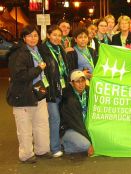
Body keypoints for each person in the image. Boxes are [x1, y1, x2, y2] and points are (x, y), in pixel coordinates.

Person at [6, 25, 51, 163]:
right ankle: (26, 155)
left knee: (42, 123)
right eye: (30, 36)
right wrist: (38, 69)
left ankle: (42, 150)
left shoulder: (38, 50)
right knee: (25, 127)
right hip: (23, 94)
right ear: (24, 38)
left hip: (38, 91)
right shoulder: (18, 53)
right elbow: (19, 76)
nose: (33, 38)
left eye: (35, 36)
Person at [39, 25, 70, 158]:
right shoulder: (43, 50)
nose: (57, 38)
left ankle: (54, 142)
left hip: (60, 88)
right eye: (54, 35)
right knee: (55, 118)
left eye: (59, 35)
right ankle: (54, 147)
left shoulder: (60, 49)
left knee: (58, 118)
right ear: (48, 35)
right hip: (50, 90)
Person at [60, 70, 92, 154]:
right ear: (72, 83)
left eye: (83, 81)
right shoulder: (70, 99)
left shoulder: (89, 92)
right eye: (77, 81)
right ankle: (64, 147)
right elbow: (77, 123)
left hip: (82, 126)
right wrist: (91, 142)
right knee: (86, 145)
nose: (81, 84)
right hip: (70, 128)